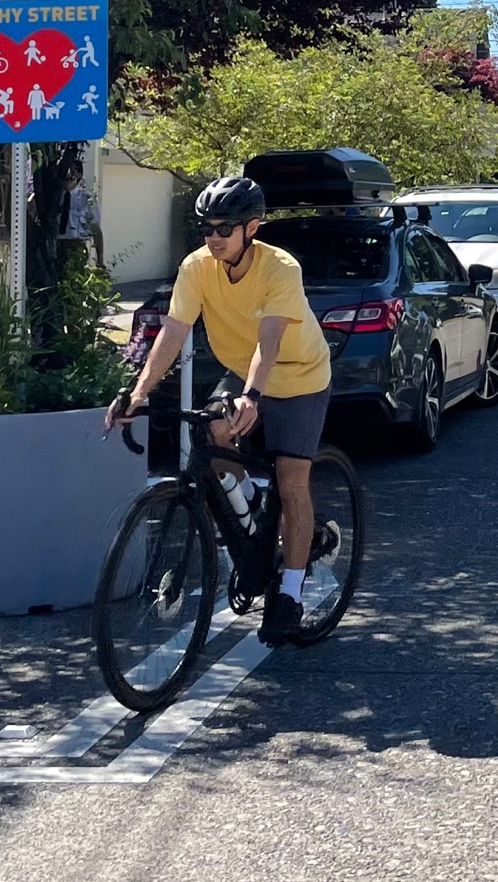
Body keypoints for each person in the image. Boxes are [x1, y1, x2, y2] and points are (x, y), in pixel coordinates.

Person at [105, 174, 334, 645]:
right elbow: (171, 333)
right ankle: (249, 508)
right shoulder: (196, 268)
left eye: (224, 228)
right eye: (206, 228)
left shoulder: (280, 267)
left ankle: (290, 593)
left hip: (298, 375)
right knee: (212, 436)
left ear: (251, 228)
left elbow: (268, 342)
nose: (213, 237)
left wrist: (251, 395)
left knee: (292, 480)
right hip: (242, 371)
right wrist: (140, 391)